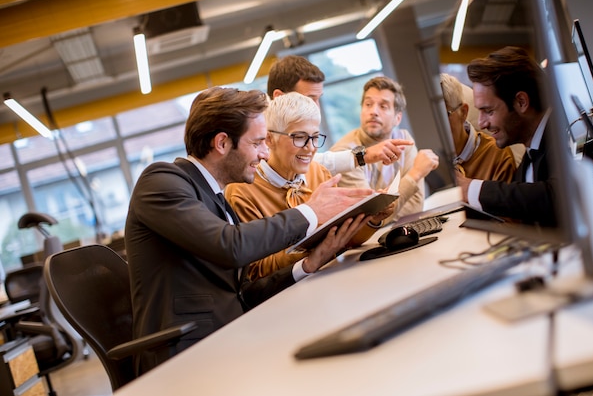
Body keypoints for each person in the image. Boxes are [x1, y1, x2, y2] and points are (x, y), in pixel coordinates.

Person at [125, 87, 374, 373]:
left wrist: (308, 264)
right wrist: (311, 212)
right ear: (222, 143)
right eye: (257, 143)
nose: (264, 153)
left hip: (226, 337)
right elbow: (231, 247)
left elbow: (239, 292)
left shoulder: (216, 198)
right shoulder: (161, 182)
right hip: (186, 356)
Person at [225, 92, 394, 280]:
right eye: (299, 137)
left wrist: (372, 220)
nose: (311, 147)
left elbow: (346, 239)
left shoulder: (319, 172)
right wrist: (314, 249)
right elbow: (256, 271)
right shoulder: (242, 191)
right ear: (269, 139)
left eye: (315, 137)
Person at [456, 46, 556, 226]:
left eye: (488, 111)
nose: (481, 123)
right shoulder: (529, 157)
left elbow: (555, 196)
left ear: (521, 102)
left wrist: (469, 189)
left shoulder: (565, 137)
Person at [267, 55, 413, 173]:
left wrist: (365, 156)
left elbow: (321, 162)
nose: (316, 108)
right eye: (310, 99)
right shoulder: (258, 147)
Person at [330, 76, 440, 224]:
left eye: (383, 106)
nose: (373, 111)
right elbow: (372, 218)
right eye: (368, 104)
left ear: (397, 118)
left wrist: (385, 216)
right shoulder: (345, 154)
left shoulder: (403, 138)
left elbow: (415, 205)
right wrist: (415, 174)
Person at [440, 73, 517, 182]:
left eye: (444, 115)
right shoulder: (421, 158)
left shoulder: (498, 157)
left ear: (463, 112)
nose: (436, 127)